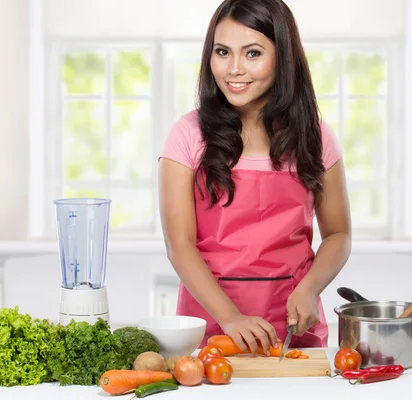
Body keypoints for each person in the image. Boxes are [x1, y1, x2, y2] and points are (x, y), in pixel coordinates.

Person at [157, 0, 351, 355]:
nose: (233, 69)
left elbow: (338, 234)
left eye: (252, 53)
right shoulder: (187, 134)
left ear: (283, 58)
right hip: (212, 328)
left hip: (295, 331)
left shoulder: (316, 135)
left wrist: (310, 289)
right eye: (222, 52)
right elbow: (179, 246)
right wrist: (231, 318)